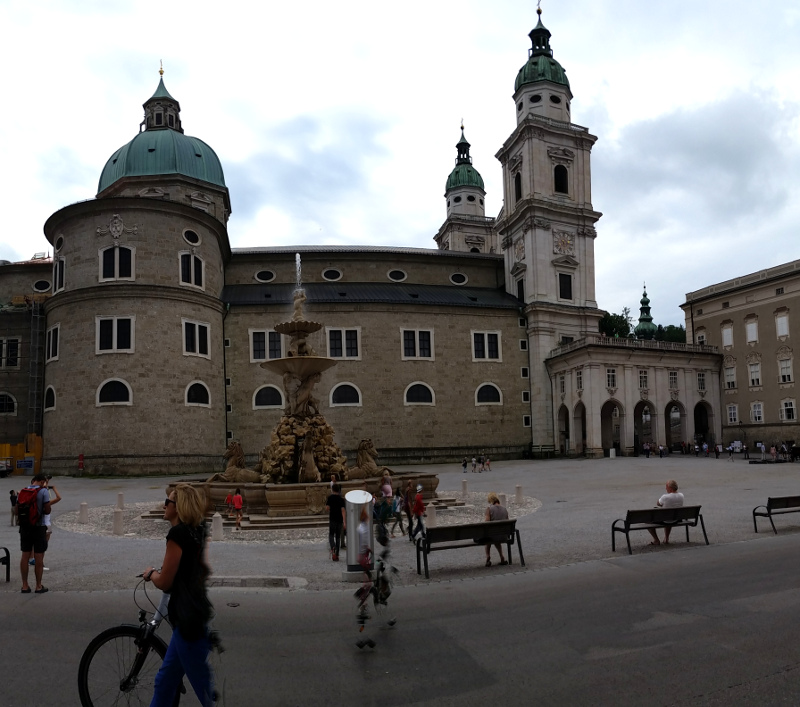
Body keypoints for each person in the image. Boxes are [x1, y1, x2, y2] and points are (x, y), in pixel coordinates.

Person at [145, 484, 215, 706]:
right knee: (165, 683)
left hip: (187, 622)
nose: (164, 505)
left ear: (178, 507)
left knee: (205, 693)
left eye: (169, 501)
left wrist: (152, 574)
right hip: (193, 614)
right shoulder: (197, 530)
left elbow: (165, 581)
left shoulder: (177, 534)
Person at [18, 473, 51, 593]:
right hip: (39, 526)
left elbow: (17, 511)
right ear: (42, 481)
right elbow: (47, 510)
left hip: (25, 527)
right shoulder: (43, 492)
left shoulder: (22, 491)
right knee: (38, 556)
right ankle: (38, 585)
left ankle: (25, 585)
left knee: (25, 555)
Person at [647, 480, 684, 546]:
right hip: (676, 519)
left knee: (648, 520)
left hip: (665, 519)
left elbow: (658, 503)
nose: (665, 488)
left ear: (670, 488)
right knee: (669, 515)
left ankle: (656, 540)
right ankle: (666, 538)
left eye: (666, 486)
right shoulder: (681, 495)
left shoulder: (665, 497)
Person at [483, 492, 509, 566]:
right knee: (496, 536)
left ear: (490, 501)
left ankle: (488, 556)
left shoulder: (489, 509)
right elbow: (507, 521)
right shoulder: (504, 509)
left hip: (493, 535)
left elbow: (486, 523)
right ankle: (501, 556)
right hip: (504, 536)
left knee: (489, 537)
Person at [325, 483, 346, 561]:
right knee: (338, 537)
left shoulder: (330, 498)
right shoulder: (341, 499)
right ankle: (336, 555)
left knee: (331, 535)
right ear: (339, 490)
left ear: (332, 490)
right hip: (339, 520)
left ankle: (332, 547)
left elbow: (327, 508)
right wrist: (344, 522)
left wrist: (331, 509)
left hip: (332, 519)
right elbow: (343, 510)